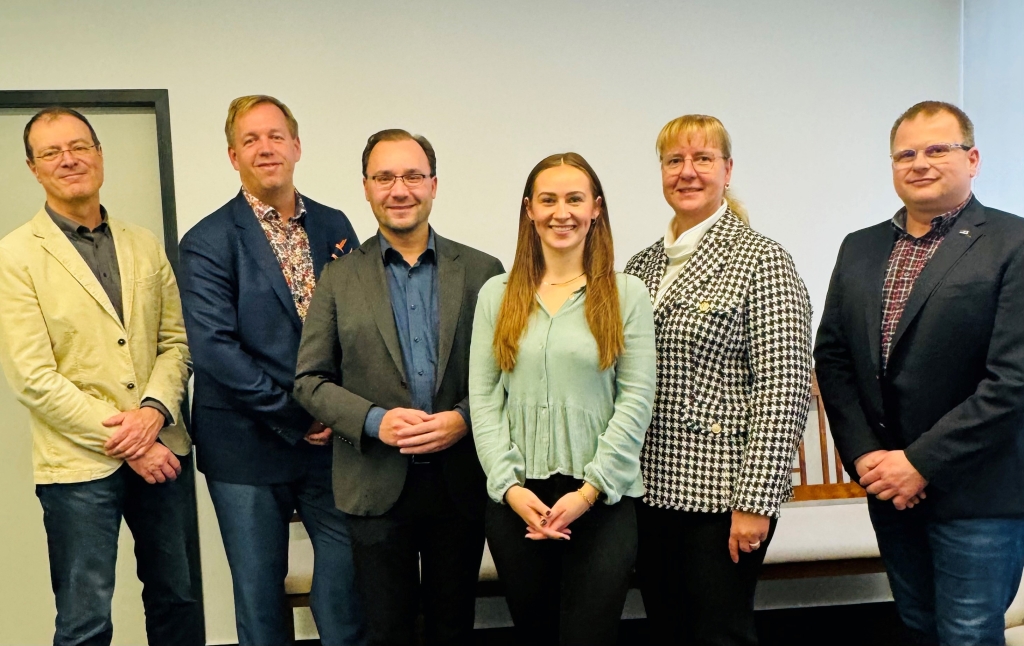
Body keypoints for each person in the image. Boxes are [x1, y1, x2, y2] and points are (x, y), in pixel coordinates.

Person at [814, 100, 1024, 645]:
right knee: (917, 628)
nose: (920, 162)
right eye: (905, 153)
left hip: (979, 493)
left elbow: (1012, 381)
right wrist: (868, 461)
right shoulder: (860, 248)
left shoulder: (1013, 243)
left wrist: (920, 462)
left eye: (938, 149)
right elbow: (833, 360)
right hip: (888, 487)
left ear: (973, 159)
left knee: (968, 634)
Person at [293, 129, 504, 646]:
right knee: (386, 629)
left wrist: (463, 417)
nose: (399, 188)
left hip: (459, 482)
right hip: (374, 481)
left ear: (433, 185)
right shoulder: (339, 279)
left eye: (412, 175)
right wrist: (375, 421)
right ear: (366, 188)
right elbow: (309, 380)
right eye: (384, 177)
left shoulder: (483, 272)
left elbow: (507, 374)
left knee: (452, 625)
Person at [0, 107, 201, 646]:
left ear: (99, 155)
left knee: (177, 601)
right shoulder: (15, 257)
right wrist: (131, 440)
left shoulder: (143, 243)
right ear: (33, 168)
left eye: (80, 146)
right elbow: (33, 377)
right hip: (79, 467)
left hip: (165, 451)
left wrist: (154, 415)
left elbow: (174, 344)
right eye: (52, 152)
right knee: (85, 619)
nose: (69, 159)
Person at [178, 95, 363, 646]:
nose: (266, 148)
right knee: (260, 600)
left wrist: (341, 411)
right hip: (245, 445)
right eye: (251, 140)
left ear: (297, 146)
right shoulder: (207, 241)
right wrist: (298, 415)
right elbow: (215, 350)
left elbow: (357, 323)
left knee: (345, 590)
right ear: (233, 156)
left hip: (332, 444)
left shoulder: (334, 224)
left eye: (276, 136)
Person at [624, 114, 813, 646]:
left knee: (719, 633)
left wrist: (755, 502)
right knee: (668, 628)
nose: (688, 172)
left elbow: (784, 388)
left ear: (727, 170)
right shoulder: (640, 266)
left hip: (723, 496)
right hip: (647, 490)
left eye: (702, 159)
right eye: (674, 160)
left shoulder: (763, 260)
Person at [469, 152, 656, 645]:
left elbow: (635, 401)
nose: (561, 212)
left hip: (601, 501)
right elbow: (484, 401)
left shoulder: (625, 294)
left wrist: (588, 492)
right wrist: (510, 489)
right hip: (518, 501)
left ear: (596, 208)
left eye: (575, 199)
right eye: (548, 200)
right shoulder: (497, 294)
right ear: (529, 210)